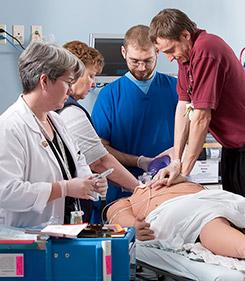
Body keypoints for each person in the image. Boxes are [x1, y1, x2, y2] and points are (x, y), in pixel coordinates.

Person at [0, 41, 107, 228]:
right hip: (26, 237)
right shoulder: (10, 127)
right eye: (68, 82)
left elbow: (77, 164)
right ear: (44, 81)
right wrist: (62, 188)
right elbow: (6, 192)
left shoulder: (56, 121)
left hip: (64, 231)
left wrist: (92, 183)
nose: (70, 90)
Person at [148, 9, 245, 195]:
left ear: (185, 35)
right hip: (232, 148)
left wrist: (184, 172)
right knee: (234, 212)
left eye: (170, 50)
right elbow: (183, 107)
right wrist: (176, 160)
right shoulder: (186, 55)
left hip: (243, 145)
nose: (169, 58)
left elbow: (201, 117)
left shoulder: (206, 50)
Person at [92, 25, 178, 203]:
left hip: (168, 185)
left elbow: (192, 136)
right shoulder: (110, 95)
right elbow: (101, 149)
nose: (141, 67)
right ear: (123, 52)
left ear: (158, 51)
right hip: (123, 191)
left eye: (148, 60)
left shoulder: (176, 89)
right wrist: (139, 161)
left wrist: (174, 153)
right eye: (134, 61)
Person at [58, 41, 139, 222]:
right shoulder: (70, 112)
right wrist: (140, 189)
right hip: (67, 208)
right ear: (74, 73)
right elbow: (100, 161)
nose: (93, 84)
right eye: (91, 76)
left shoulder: (59, 109)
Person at [107, 179, 245, 259]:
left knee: (215, 217)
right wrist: (134, 226)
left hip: (216, 198)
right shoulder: (132, 199)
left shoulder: (178, 178)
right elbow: (115, 213)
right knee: (210, 222)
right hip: (177, 208)